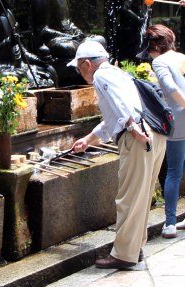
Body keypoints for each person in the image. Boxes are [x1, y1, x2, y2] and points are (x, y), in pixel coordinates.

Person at [70, 39, 167, 269]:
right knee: (140, 197)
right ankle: (135, 248)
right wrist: (88, 139)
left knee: (128, 198)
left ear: (86, 64)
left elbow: (123, 107)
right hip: (155, 134)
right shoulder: (117, 73)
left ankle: (124, 254)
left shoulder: (101, 77)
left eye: (78, 67)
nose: (78, 72)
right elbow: (113, 115)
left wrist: (134, 129)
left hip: (138, 137)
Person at [144, 25, 185, 238]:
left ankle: (170, 223)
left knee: (173, 171)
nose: (147, 51)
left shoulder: (159, 62)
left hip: (182, 121)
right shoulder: (184, 58)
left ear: (155, 44)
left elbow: (170, 87)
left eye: (148, 46)